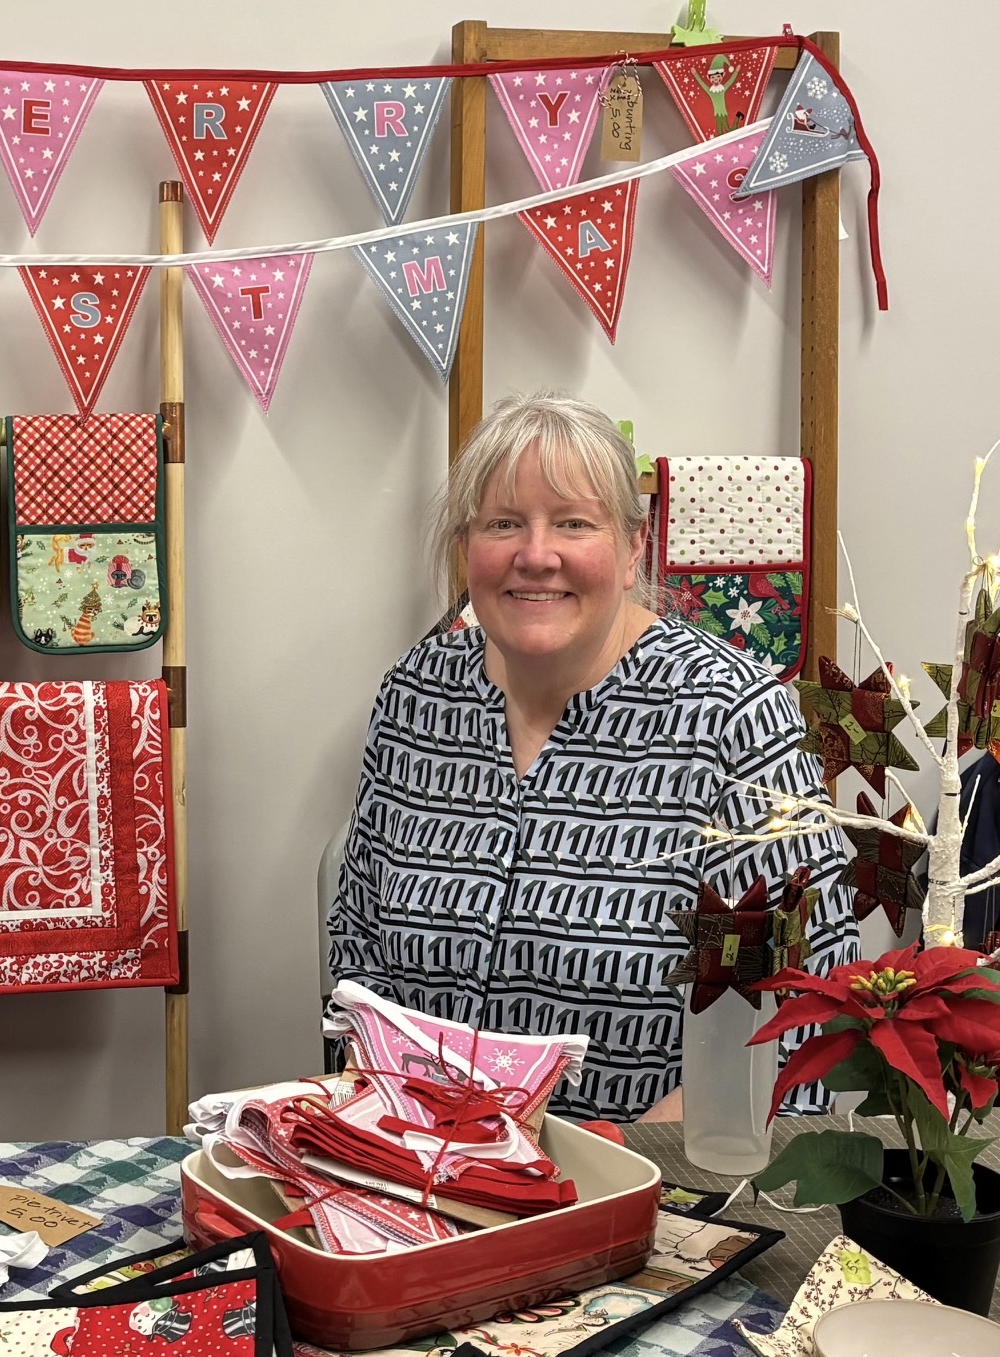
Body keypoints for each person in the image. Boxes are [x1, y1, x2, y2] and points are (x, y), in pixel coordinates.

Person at [326, 394, 855, 1121]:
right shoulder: (415, 697)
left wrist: (614, 1165)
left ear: (635, 546)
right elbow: (358, 958)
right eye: (503, 523)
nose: (536, 555)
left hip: (647, 1169)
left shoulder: (735, 717)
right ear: (465, 545)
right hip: (419, 1155)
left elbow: (803, 1016)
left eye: (573, 523)